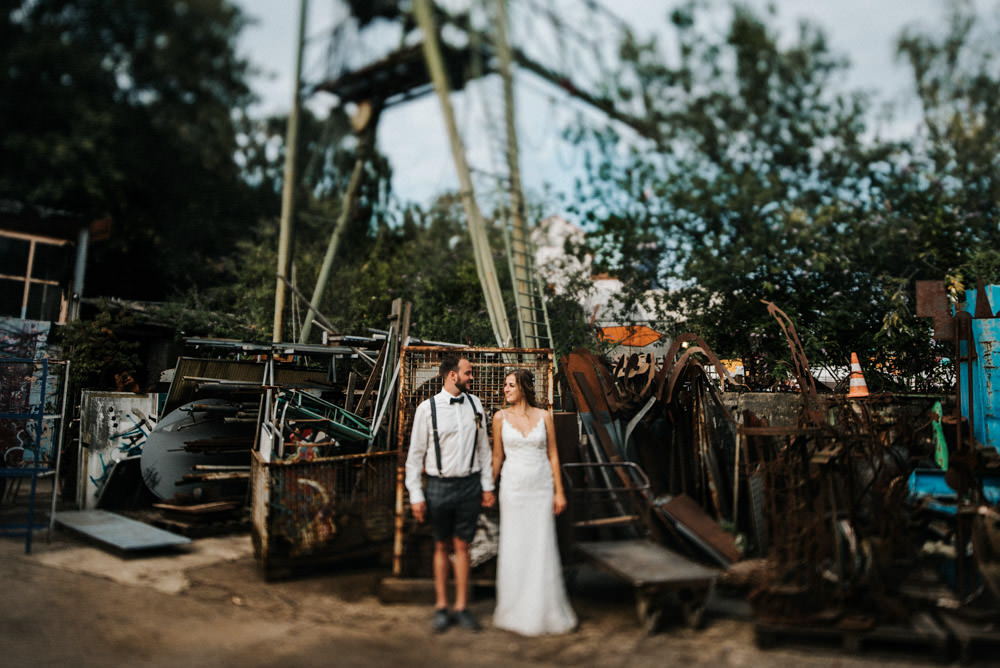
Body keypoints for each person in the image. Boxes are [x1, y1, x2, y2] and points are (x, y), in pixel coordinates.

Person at [405, 353, 496, 633]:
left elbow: (483, 450)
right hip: (438, 485)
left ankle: (461, 607)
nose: (472, 377)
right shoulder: (426, 409)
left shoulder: (475, 405)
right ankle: (442, 607)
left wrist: (487, 486)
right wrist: (416, 496)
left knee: (462, 546)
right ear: (452, 375)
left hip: (469, 485)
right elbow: (415, 455)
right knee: (442, 545)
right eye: (468, 373)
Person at [491, 369, 577, 636]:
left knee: (541, 545)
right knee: (515, 545)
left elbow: (553, 455)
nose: (505, 389)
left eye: (510, 385)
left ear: (524, 388)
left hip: (541, 487)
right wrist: (486, 488)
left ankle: (544, 609)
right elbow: (497, 458)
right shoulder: (499, 417)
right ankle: (514, 609)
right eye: (505, 385)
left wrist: (559, 492)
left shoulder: (544, 417)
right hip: (513, 489)